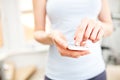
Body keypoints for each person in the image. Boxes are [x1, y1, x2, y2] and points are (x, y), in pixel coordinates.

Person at [33, 0, 113, 80]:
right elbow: (38, 32)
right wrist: (51, 37)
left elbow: (109, 26)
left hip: (96, 71)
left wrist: (99, 27)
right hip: (57, 74)